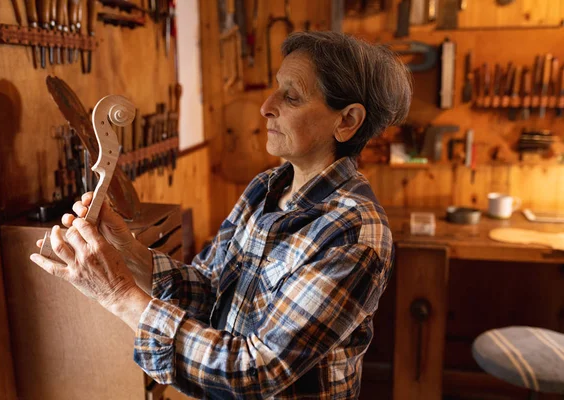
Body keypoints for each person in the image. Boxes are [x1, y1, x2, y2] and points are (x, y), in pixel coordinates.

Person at [31, 31, 411, 399]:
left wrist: (118, 294)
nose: (266, 106)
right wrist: (127, 249)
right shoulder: (265, 188)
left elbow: (255, 372)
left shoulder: (353, 234)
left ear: (346, 121)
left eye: (291, 96)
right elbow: (209, 288)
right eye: (277, 87)